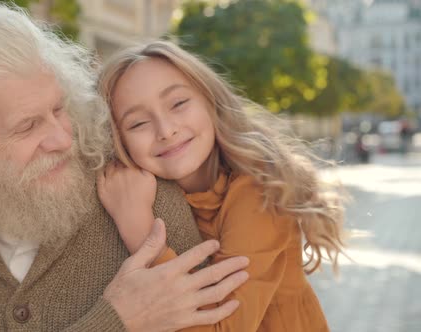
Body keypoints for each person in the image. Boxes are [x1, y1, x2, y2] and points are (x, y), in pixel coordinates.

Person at [0, 4, 249, 331]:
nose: (63, 139)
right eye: (27, 126)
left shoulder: (141, 196)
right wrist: (116, 321)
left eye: (58, 108)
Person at [95, 41, 346, 331]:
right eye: (138, 123)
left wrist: (136, 223)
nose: (166, 130)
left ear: (209, 101)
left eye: (178, 103)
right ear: (118, 140)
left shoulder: (258, 190)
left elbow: (222, 327)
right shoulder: (155, 192)